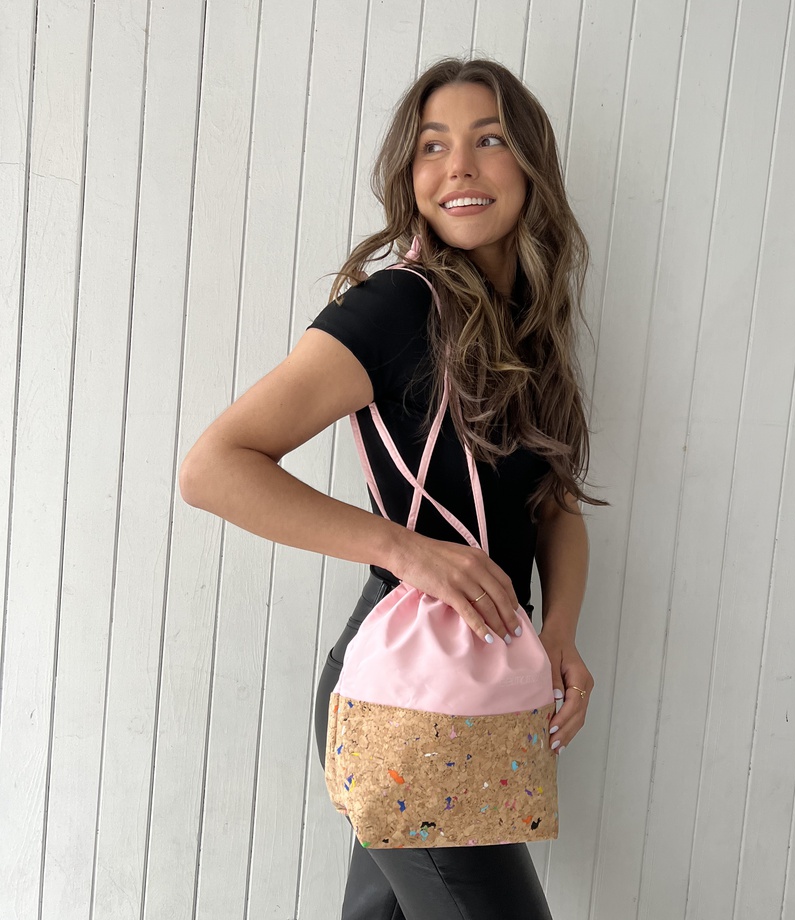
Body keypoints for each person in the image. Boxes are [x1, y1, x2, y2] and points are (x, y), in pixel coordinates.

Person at [180, 56, 602, 920]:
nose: (459, 167)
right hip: (407, 686)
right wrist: (408, 551)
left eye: (489, 140)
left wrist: (560, 630)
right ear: (410, 176)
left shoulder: (530, 324)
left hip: (478, 679)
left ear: (531, 164)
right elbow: (214, 467)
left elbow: (553, 505)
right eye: (432, 146)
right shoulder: (397, 308)